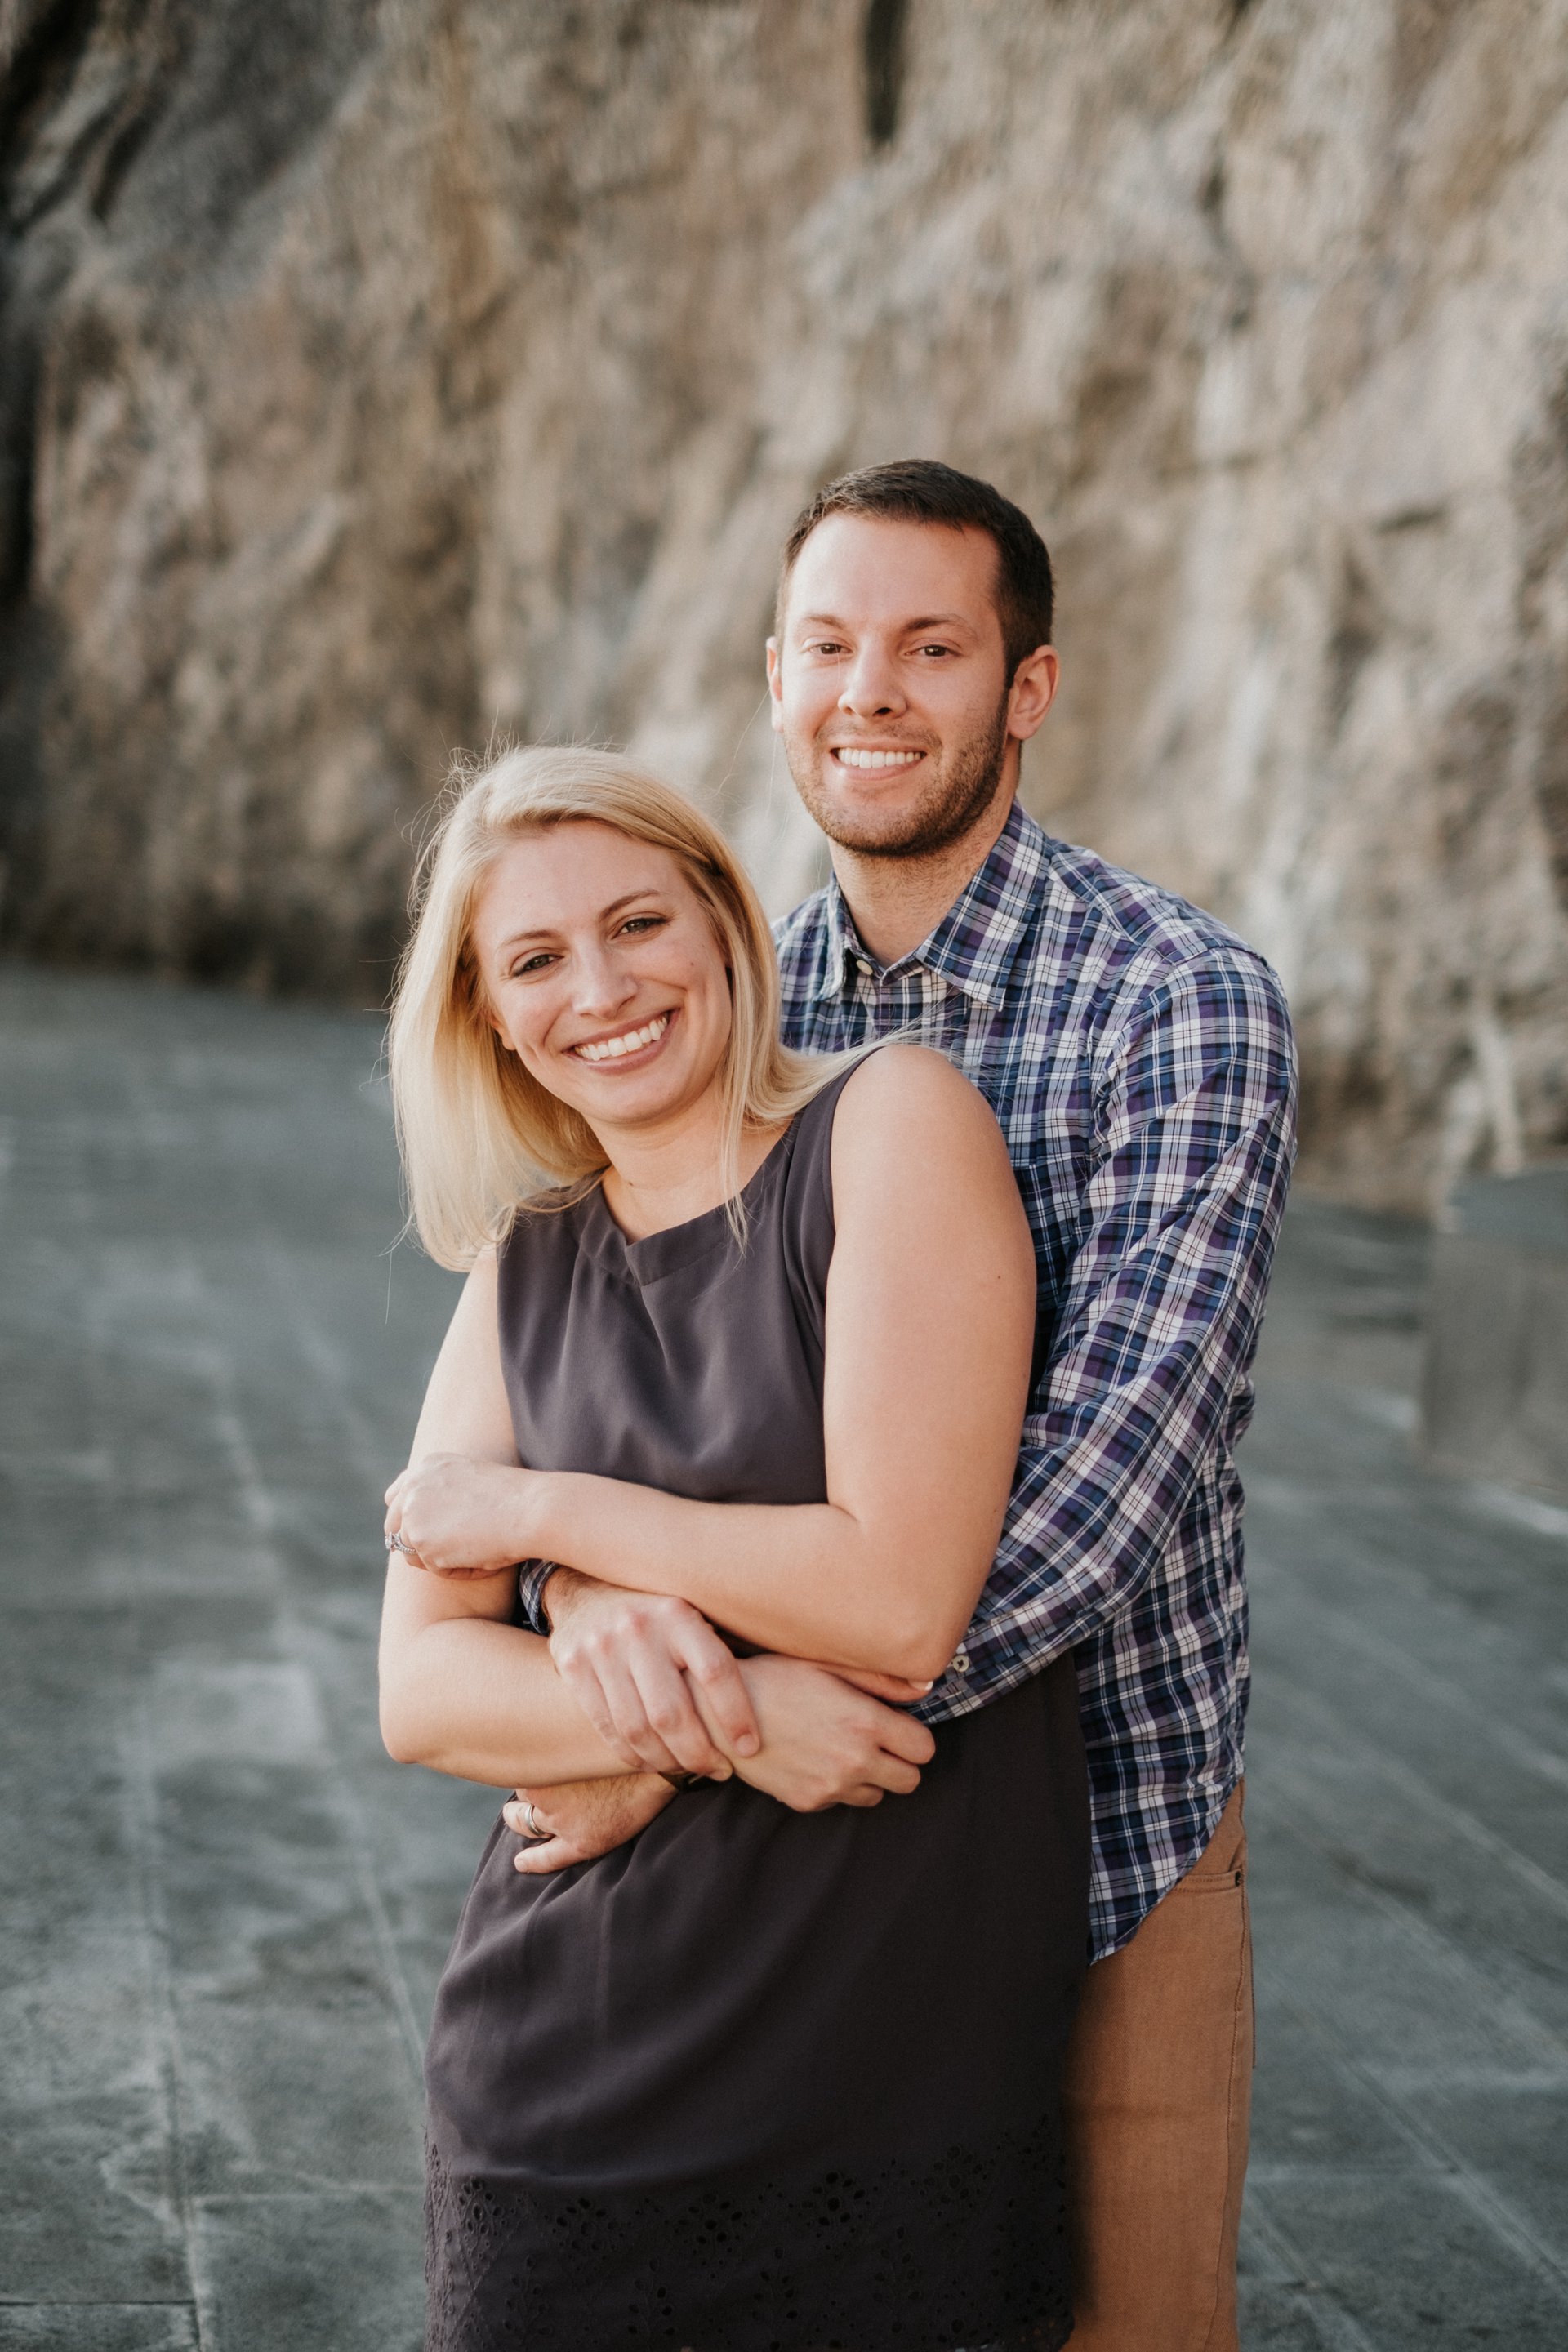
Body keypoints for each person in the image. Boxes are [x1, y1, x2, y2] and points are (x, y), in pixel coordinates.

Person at [503, 462, 1298, 2352]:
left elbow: (1105, 1492)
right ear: (774, 676)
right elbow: (596, 1380)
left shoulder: (1179, 1007)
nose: (872, 690)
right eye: (831, 645)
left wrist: (701, 1722)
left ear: (1025, 689)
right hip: (761, 1835)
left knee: (1124, 2328)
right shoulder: (710, 985)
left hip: (1105, 1810)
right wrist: (596, 1615)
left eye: (933, 648)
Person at [377, 745, 1092, 2352]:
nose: (604, 989)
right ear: (489, 1011)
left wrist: (555, 1527)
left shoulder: (890, 1123)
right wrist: (741, 1723)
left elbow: (900, 1602)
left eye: (639, 923)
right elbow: (421, 1693)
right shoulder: (524, 1260)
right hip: (562, 2076)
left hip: (888, 2047)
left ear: (721, 921)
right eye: (538, 960)